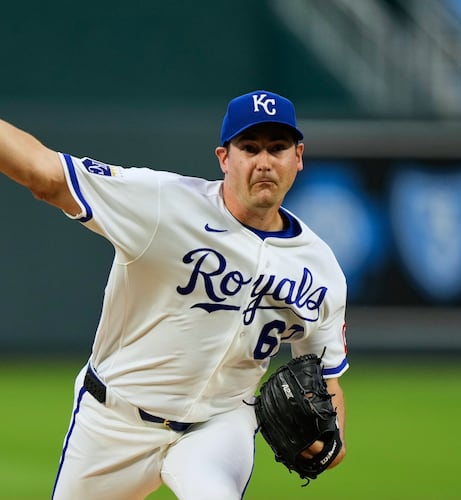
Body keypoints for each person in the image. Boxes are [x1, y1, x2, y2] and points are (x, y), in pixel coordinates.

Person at [0, 90, 349, 499]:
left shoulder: (321, 268)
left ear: (298, 157)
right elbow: (47, 176)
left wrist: (332, 446)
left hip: (218, 427)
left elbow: (327, 379)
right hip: (114, 421)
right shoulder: (164, 202)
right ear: (224, 158)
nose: (264, 162)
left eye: (277, 147)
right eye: (249, 148)